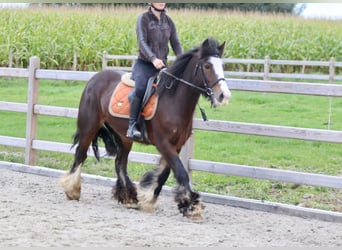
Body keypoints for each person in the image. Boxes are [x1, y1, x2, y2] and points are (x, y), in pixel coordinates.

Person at [127, 2, 183, 139]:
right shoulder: (143, 18)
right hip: (145, 64)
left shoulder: (168, 21)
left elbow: (175, 43)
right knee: (140, 89)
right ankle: (132, 125)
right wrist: (153, 59)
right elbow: (142, 42)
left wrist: (182, 61)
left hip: (162, 65)